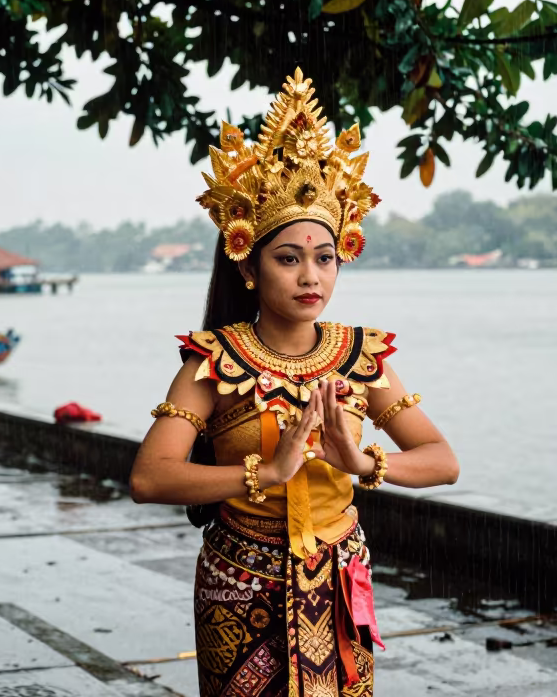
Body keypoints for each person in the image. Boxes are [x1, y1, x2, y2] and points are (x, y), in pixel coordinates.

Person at [130, 69, 459, 697]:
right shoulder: (215, 362)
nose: (311, 275)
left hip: (339, 575)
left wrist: (362, 461)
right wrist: (265, 474)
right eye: (288, 258)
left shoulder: (361, 357)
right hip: (241, 583)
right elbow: (149, 478)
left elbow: (443, 462)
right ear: (250, 265)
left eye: (325, 257)